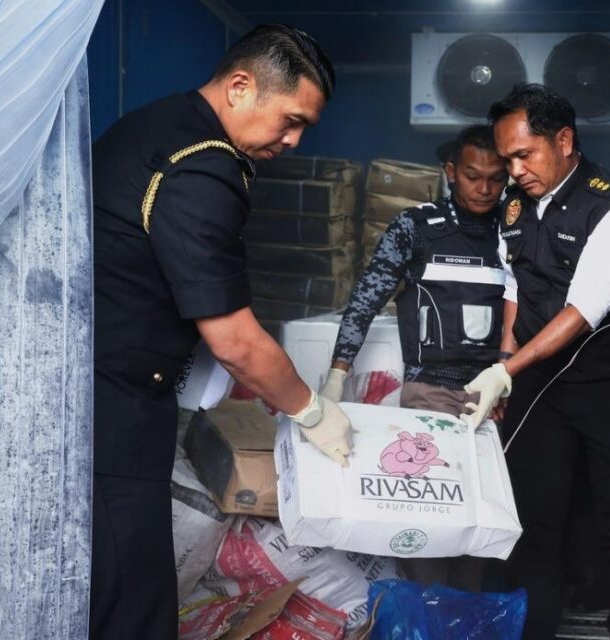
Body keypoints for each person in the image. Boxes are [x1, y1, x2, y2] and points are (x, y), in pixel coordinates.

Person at [90, 25, 352, 640]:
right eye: (291, 120)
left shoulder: (154, 125)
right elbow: (235, 341)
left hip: (96, 388)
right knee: (132, 600)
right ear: (240, 87)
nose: (294, 140)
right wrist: (312, 411)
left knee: (110, 581)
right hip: (115, 406)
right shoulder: (203, 168)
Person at [460, 84, 610, 639]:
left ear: (563, 141)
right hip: (538, 386)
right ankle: (530, 630)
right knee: (533, 518)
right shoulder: (516, 206)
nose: (514, 171)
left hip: (604, 388)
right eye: (507, 159)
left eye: (524, 155)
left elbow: (583, 309)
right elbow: (516, 286)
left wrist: (503, 373)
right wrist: (506, 362)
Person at [319, 124, 509, 589]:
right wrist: (337, 374)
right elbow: (366, 299)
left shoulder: (515, 229)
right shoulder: (416, 227)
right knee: (429, 518)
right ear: (450, 172)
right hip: (431, 392)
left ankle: (466, 612)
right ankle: (425, 611)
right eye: (473, 176)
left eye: (496, 178)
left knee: (486, 525)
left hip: (498, 396)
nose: (485, 189)